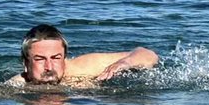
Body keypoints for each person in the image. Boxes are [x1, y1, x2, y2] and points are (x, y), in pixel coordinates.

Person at [9, 24, 159, 86]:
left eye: (56, 58)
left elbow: (148, 55)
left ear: (65, 58)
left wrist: (125, 63)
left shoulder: (85, 66)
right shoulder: (17, 85)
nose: (49, 67)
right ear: (25, 63)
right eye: (40, 59)